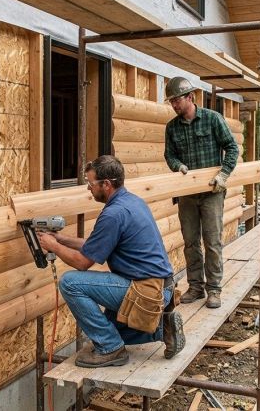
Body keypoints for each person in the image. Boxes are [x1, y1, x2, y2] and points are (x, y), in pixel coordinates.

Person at [36, 155, 185, 368]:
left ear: (106, 184)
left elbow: (82, 263)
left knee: (70, 282)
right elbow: (94, 245)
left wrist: (54, 247)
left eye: (91, 183)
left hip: (147, 291)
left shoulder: (113, 214)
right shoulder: (131, 201)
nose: (88, 188)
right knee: (113, 329)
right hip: (160, 287)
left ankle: (111, 348)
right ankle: (163, 328)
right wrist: (61, 239)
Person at [163, 76, 239, 309]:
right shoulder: (172, 127)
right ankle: (196, 287)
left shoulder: (212, 119)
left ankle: (214, 289)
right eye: (171, 101)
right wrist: (178, 166)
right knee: (190, 241)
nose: (174, 105)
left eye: (177, 100)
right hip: (187, 193)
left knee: (212, 241)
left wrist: (223, 174)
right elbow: (169, 155)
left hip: (212, 191)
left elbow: (232, 147)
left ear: (190, 97)